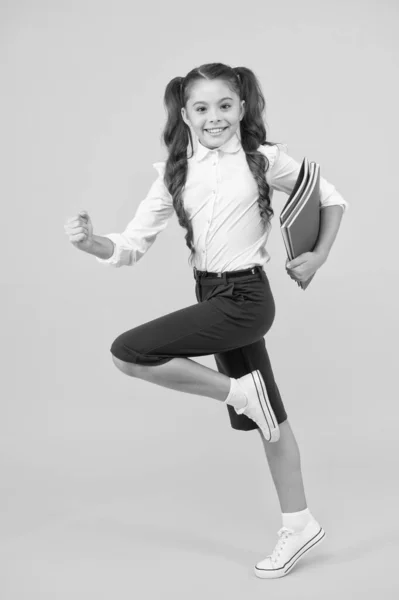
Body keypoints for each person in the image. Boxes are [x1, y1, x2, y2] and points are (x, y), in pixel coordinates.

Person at [64, 62, 349, 579]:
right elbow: (131, 245)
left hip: (245, 297)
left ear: (242, 107)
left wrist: (319, 256)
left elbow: (331, 198)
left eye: (224, 105)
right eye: (201, 108)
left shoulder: (265, 161)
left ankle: (240, 393)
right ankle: (300, 522)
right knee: (272, 420)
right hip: (211, 291)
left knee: (129, 350)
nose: (214, 116)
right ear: (185, 113)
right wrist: (91, 244)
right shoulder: (174, 172)